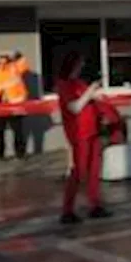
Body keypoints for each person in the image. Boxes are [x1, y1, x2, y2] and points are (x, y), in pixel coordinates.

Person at [54, 52, 111, 224]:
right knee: (78, 171)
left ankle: (95, 204)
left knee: (94, 170)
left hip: (92, 129)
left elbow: (88, 100)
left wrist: (96, 97)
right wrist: (90, 93)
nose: (81, 68)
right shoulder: (64, 85)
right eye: (79, 64)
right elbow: (75, 107)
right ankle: (67, 209)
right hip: (79, 133)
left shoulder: (79, 83)